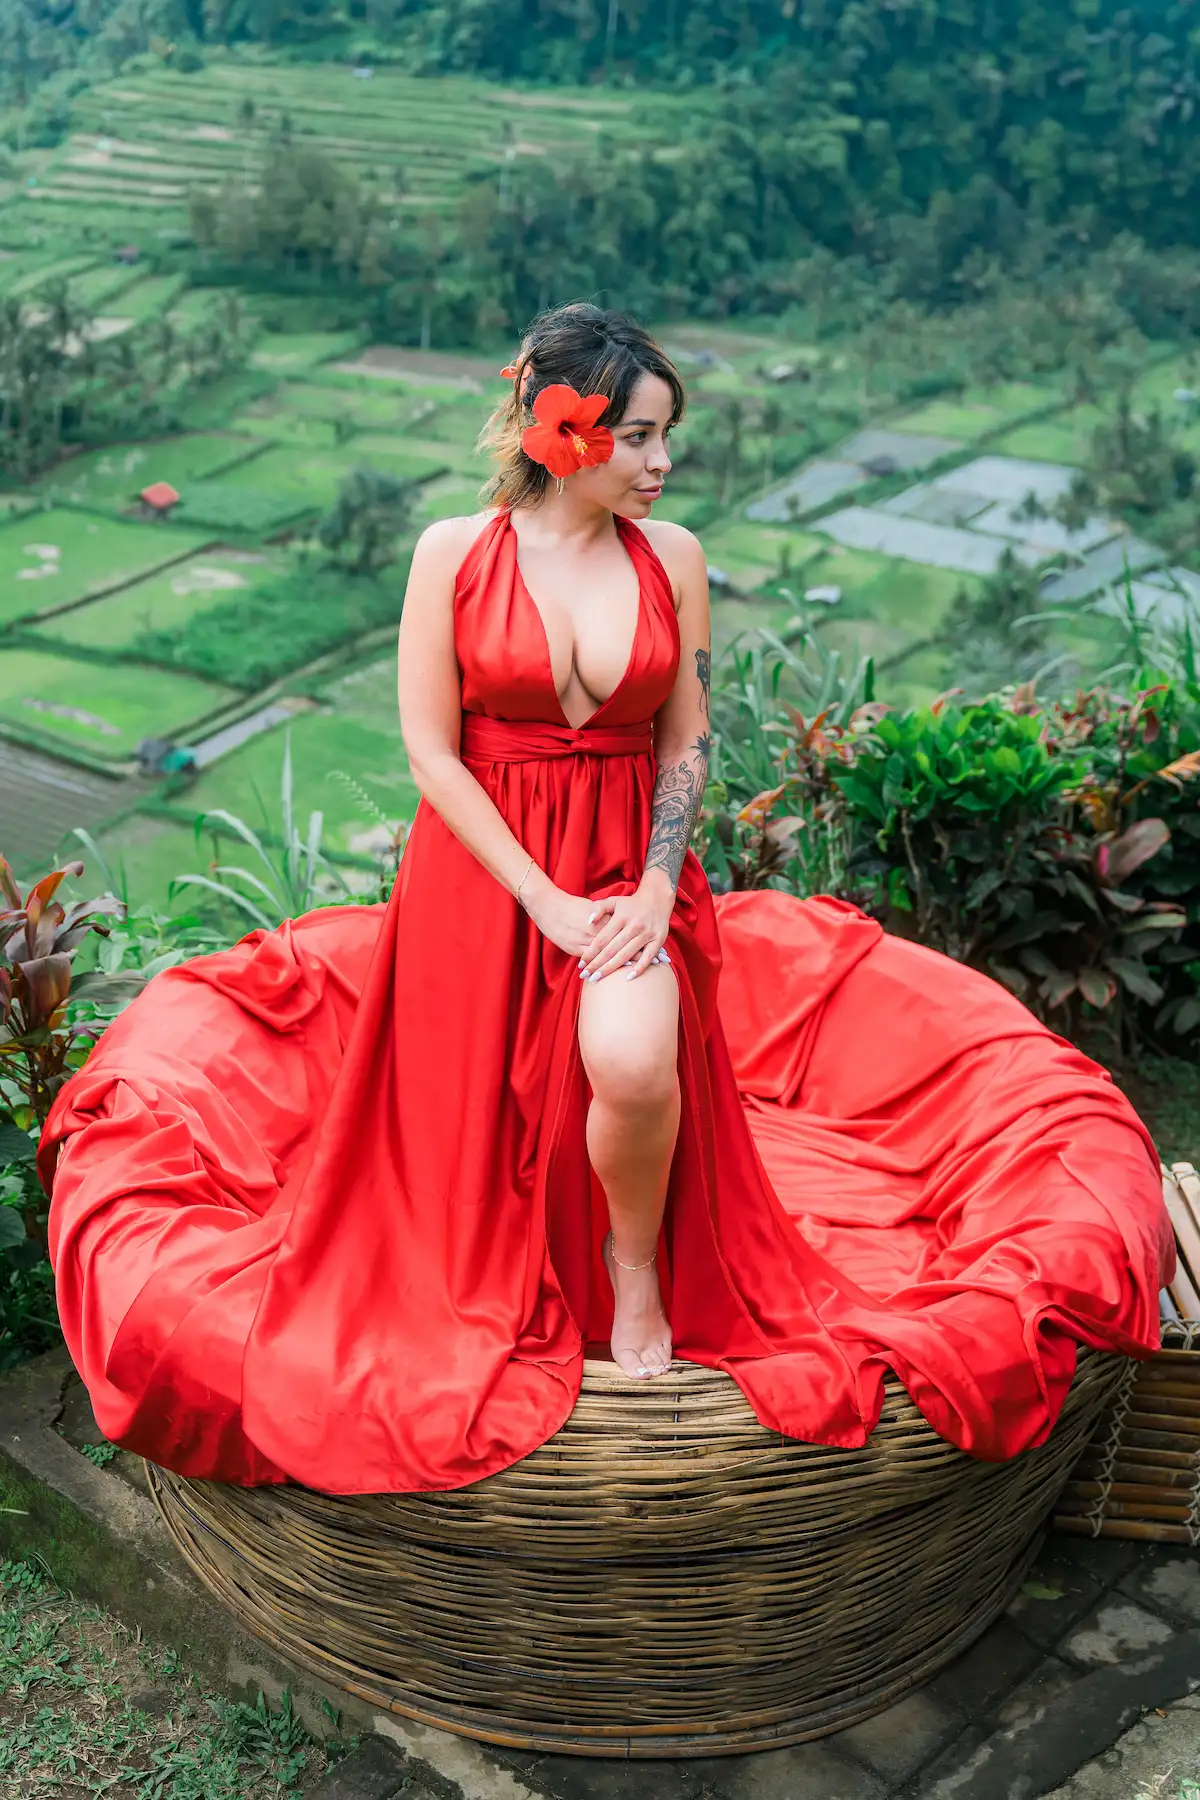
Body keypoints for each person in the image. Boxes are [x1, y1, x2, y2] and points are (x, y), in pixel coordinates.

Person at [39, 304, 1173, 1497]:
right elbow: (434, 756)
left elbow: (685, 746)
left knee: (632, 1066)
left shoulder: (671, 558)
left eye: (666, 436)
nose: (662, 462)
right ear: (560, 429)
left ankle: (635, 1271)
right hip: (487, 883)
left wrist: (652, 885)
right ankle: (498, 1262)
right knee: (477, 1133)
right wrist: (542, 901)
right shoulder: (451, 555)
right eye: (637, 437)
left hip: (629, 878)